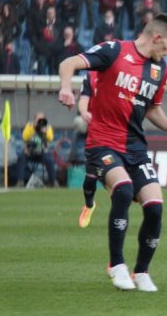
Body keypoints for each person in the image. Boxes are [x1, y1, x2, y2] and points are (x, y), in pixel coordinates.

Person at [58, 13, 167, 292]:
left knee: (155, 208)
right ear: (156, 38)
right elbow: (68, 63)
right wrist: (66, 88)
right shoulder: (113, 50)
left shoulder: (160, 69)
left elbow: (152, 108)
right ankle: (117, 265)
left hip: (135, 147)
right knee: (124, 189)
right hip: (103, 142)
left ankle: (141, 272)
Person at [76, 71, 99, 228]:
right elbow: (83, 99)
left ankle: (119, 220)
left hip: (117, 133)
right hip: (96, 133)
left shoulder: (123, 72)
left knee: (120, 186)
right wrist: (84, 112)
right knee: (90, 179)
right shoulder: (90, 76)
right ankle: (89, 205)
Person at [16, 112, 58, 188]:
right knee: (21, 158)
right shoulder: (29, 125)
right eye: (38, 119)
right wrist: (33, 128)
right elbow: (25, 137)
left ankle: (53, 181)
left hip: (42, 152)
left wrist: (44, 132)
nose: (40, 121)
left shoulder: (47, 127)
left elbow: (50, 138)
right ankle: (20, 181)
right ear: (34, 120)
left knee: (49, 160)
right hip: (29, 152)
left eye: (42, 119)